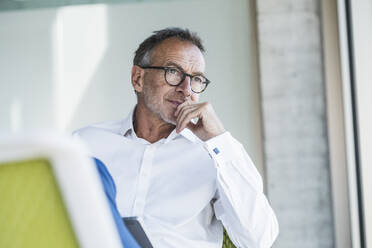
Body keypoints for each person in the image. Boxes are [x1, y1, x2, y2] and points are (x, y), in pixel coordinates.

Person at [74, 27, 279, 248]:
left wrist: (218, 138)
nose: (186, 88)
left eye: (197, 79)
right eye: (173, 72)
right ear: (138, 79)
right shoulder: (85, 145)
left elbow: (258, 240)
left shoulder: (214, 155)